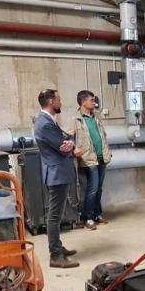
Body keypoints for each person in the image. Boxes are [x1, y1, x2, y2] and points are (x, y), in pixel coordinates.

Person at [34, 89, 82, 268]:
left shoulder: (48, 121)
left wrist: (69, 142)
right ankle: (55, 255)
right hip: (57, 174)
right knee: (54, 216)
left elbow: (66, 137)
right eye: (59, 100)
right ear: (50, 101)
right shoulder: (44, 124)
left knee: (56, 214)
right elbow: (63, 145)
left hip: (58, 172)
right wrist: (70, 146)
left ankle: (58, 247)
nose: (61, 103)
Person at [71, 90, 112, 231]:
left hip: (101, 157)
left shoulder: (96, 117)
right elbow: (69, 138)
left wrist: (108, 153)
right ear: (83, 102)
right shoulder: (76, 119)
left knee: (99, 188)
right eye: (91, 100)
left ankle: (97, 214)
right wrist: (74, 149)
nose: (94, 102)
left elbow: (103, 136)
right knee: (92, 188)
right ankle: (87, 218)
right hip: (88, 159)